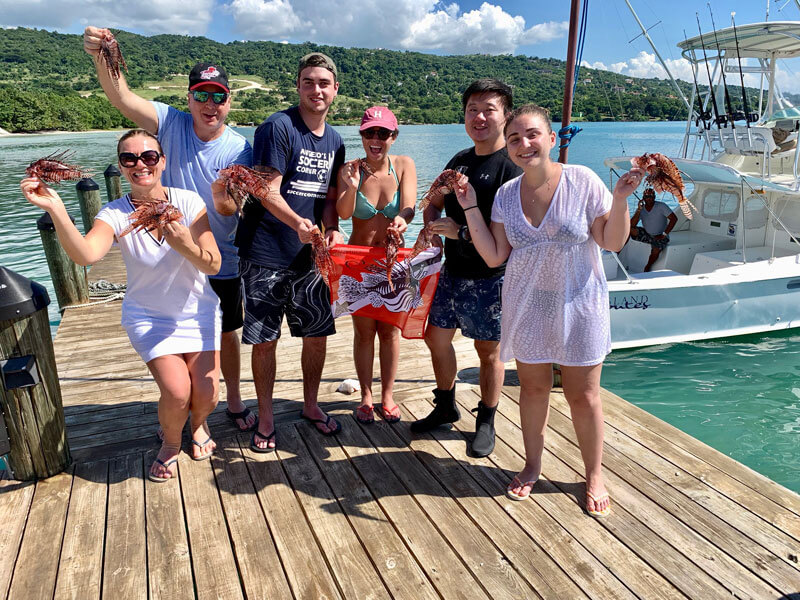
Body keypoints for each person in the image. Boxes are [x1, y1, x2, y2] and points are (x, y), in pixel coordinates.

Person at [454, 105, 643, 517]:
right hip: (529, 304)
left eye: (533, 135)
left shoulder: (581, 180)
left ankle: (593, 473)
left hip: (580, 303)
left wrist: (620, 199)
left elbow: (611, 241)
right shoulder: (505, 195)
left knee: (583, 395)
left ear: (552, 138)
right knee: (534, 389)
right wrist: (469, 206)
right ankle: (533, 465)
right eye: (516, 138)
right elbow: (494, 256)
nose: (524, 145)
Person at [21, 130, 223, 482]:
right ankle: (171, 442)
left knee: (206, 393)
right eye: (129, 159)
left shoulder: (189, 202)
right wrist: (55, 207)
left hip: (198, 312)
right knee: (177, 392)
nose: (140, 165)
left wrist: (183, 245)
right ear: (121, 166)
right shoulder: (115, 213)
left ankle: (199, 424)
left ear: (162, 161)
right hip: (150, 317)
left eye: (148, 157)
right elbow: (85, 254)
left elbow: (213, 264)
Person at [83, 27, 256, 433]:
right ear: (189, 97)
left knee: (226, 332)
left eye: (218, 96)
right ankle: (184, 407)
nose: (209, 104)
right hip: (167, 250)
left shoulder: (240, 148)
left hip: (219, 254)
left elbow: (233, 210)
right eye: (201, 94)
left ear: (228, 102)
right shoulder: (169, 122)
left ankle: (230, 398)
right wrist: (101, 56)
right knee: (178, 327)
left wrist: (220, 199)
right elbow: (122, 98)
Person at [235, 53, 346, 451]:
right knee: (265, 339)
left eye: (324, 83)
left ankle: (311, 405)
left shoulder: (335, 140)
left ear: (335, 90)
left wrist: (330, 228)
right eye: (308, 82)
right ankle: (265, 416)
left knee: (316, 335)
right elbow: (265, 189)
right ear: (298, 86)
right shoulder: (277, 127)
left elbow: (330, 197)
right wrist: (296, 223)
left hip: (310, 255)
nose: (316, 90)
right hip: (266, 250)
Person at [411, 78, 522, 458]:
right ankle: (445, 405)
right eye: (472, 109)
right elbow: (433, 199)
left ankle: (487, 419)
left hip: (493, 277)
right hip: (453, 273)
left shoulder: (510, 166)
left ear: (506, 116)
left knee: (488, 351)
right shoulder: (458, 160)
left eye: (489, 109)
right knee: (435, 338)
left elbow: (509, 238)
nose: (479, 117)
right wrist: (431, 227)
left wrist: (459, 231)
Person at [336, 106, 417, 424]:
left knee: (390, 332)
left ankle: (387, 396)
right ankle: (366, 396)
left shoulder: (404, 164)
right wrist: (353, 186)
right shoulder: (350, 168)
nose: (375, 139)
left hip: (394, 262)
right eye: (369, 132)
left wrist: (403, 218)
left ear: (393, 137)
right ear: (361, 135)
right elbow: (343, 214)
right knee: (364, 333)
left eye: (383, 133)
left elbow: (409, 205)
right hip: (358, 261)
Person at [628, 187, 678, 272]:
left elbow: (674, 219)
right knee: (629, 229)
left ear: (654, 197)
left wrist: (665, 234)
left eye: (651, 196)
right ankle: (618, 251)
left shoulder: (661, 206)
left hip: (660, 235)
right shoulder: (642, 209)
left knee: (656, 249)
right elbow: (632, 225)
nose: (649, 198)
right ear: (643, 198)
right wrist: (639, 210)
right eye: (646, 196)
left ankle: (647, 267)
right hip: (647, 234)